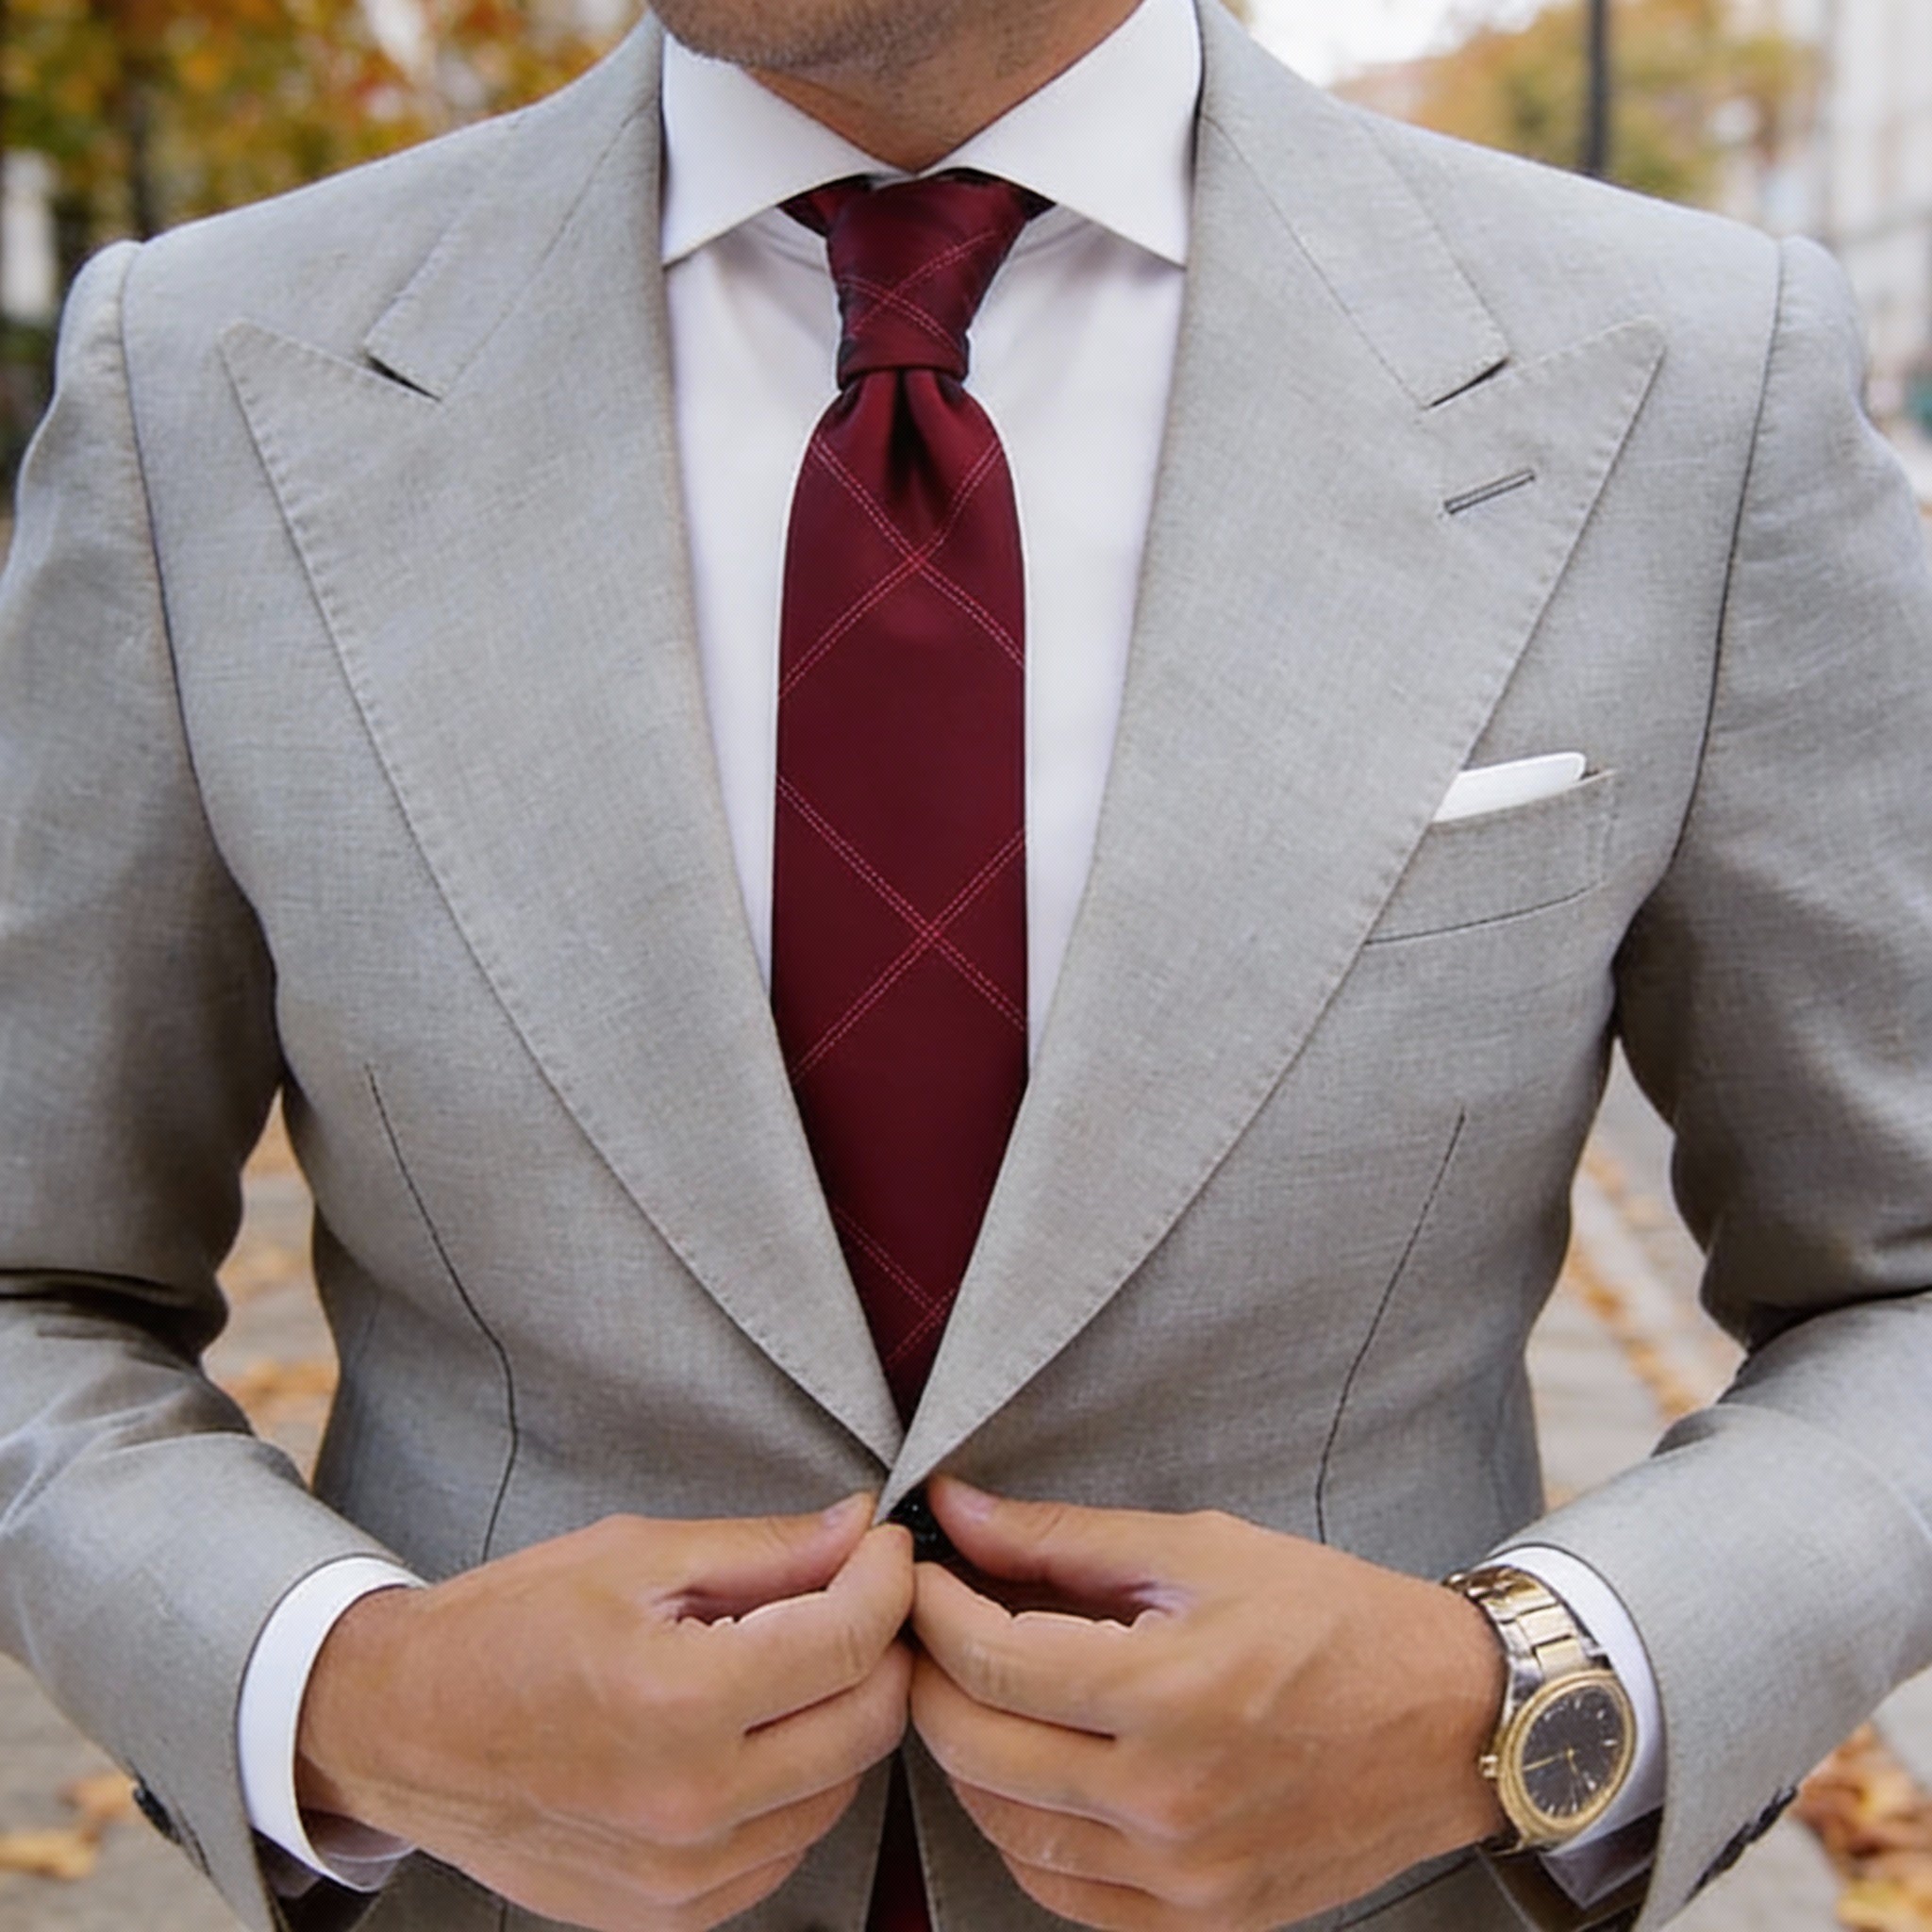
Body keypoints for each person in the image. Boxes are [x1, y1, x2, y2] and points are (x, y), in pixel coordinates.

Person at [1, 0, 1929, 1925]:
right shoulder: (198, 380)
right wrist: (342, 1693)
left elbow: (1902, 1288)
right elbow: (33, 1282)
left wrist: (1514, 1695)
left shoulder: (1689, 376)